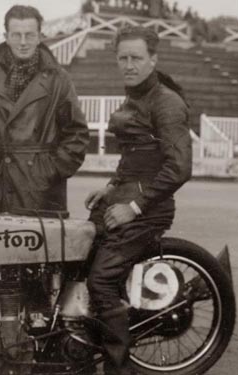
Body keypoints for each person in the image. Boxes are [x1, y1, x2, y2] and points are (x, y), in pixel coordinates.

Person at [84, 26, 192, 374]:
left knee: (100, 281)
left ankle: (119, 367)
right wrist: (111, 186)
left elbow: (179, 168)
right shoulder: (136, 97)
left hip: (147, 212)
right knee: (74, 257)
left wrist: (133, 206)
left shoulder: (167, 102)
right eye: (123, 58)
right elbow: (134, 157)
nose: (129, 65)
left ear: (153, 60)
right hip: (123, 200)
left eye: (136, 58)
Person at [0, 5, 89, 214]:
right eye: (16, 35)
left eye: (29, 35)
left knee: (37, 244)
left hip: (39, 191)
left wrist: (47, 171)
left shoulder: (59, 80)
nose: (22, 42)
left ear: (40, 36)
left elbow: (77, 135)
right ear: (6, 37)